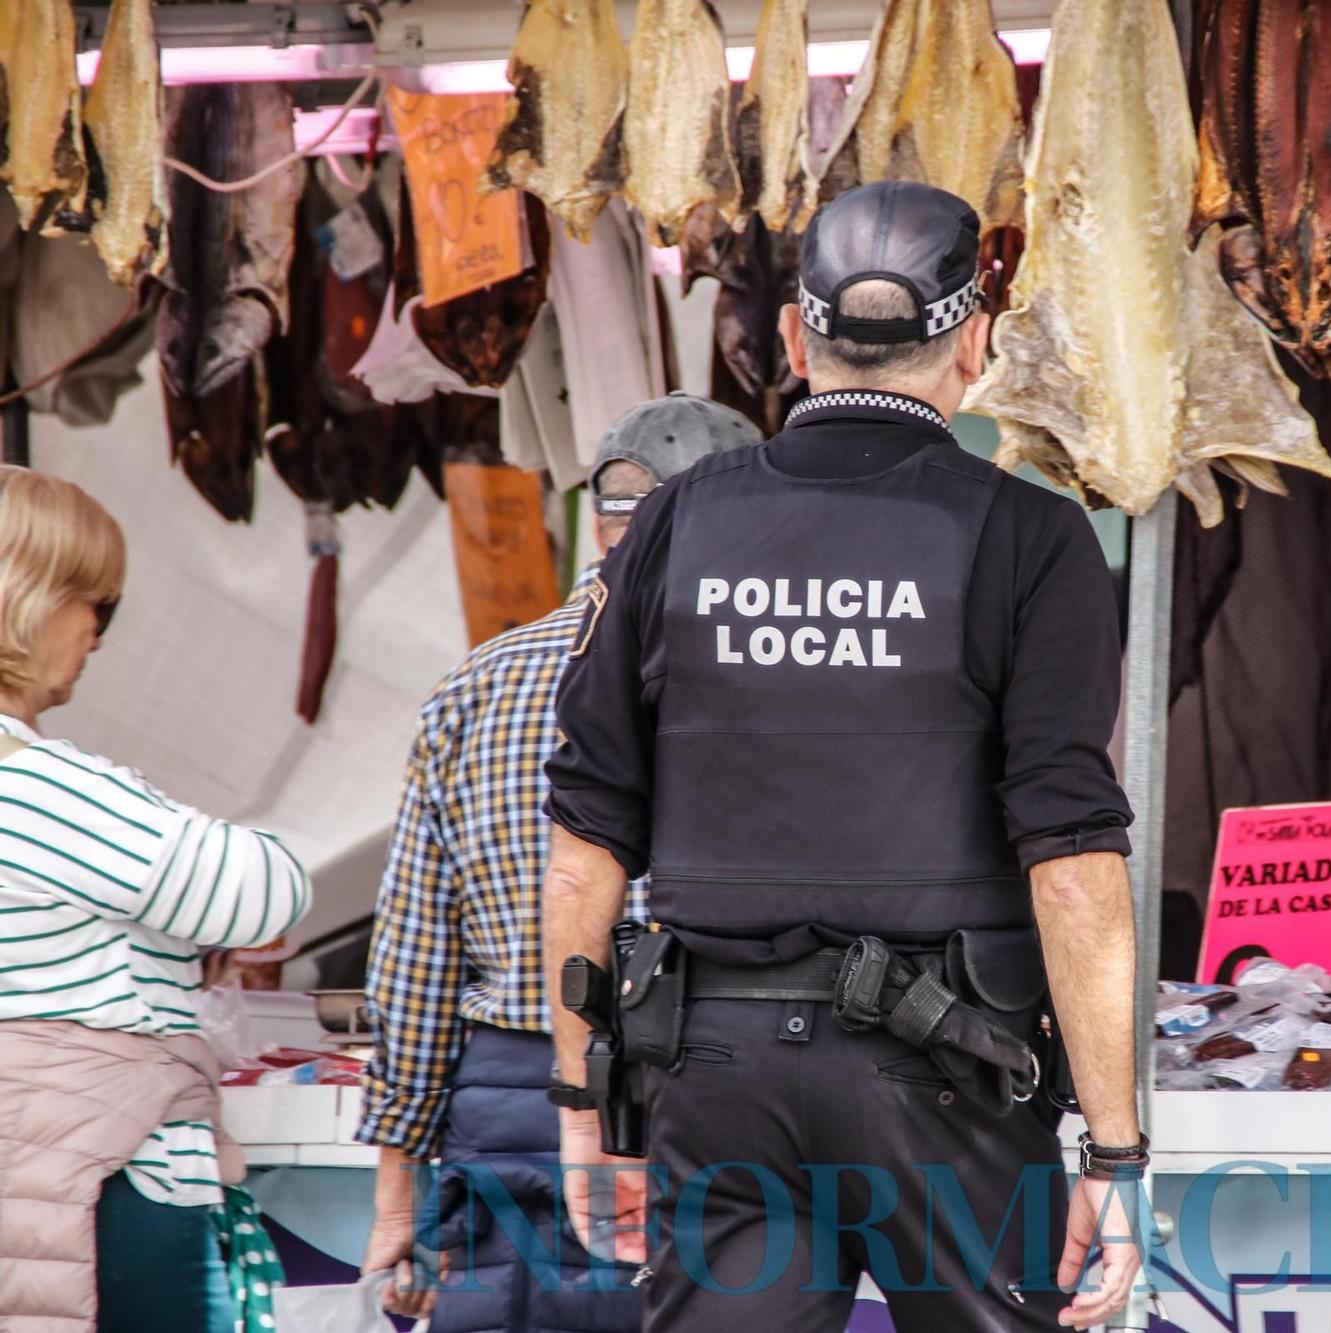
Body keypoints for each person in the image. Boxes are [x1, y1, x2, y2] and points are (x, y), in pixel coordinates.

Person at [544, 180, 1145, 1331]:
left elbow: (584, 848)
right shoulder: (1028, 537)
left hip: (714, 1078)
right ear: (974, 344)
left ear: (789, 337)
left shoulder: (670, 523)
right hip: (946, 1078)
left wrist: (582, 1103)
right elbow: (1071, 863)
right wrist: (1112, 1157)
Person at [356, 395, 763, 1327]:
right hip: (703, 1096)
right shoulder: (764, 685)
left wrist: (395, 1189)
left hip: (508, 1101)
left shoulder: (480, 682)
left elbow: (416, 957)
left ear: (603, 516)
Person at [0, 465, 312, 1331]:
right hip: (105, 1177)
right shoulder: (41, 785)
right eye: (95, 599)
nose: (99, 630)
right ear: (28, 596)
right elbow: (263, 894)